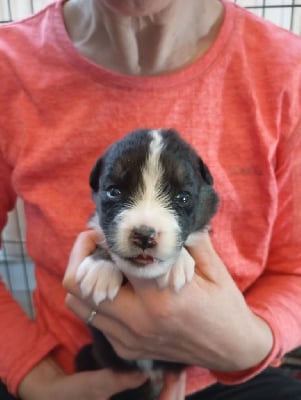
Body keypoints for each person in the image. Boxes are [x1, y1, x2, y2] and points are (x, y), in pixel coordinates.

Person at [0, 0, 300, 398]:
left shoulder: (287, 71)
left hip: (229, 369)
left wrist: (248, 344)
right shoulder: (10, 66)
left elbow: (295, 267)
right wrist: (35, 380)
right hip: (70, 368)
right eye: (113, 192)